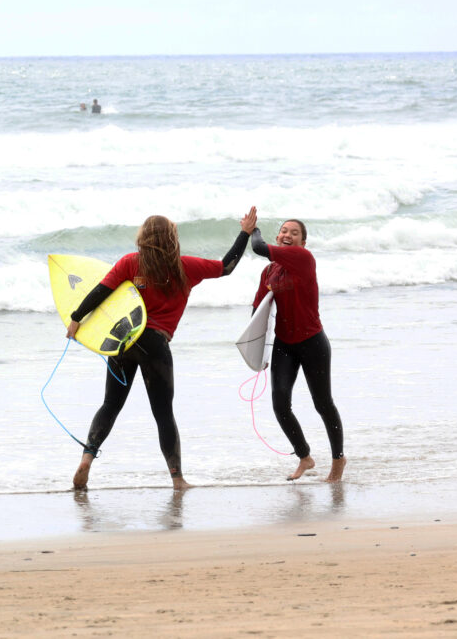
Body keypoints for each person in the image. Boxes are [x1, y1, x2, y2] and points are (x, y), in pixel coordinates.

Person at [67, 207, 258, 491]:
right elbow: (226, 267)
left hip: (124, 340)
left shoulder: (130, 263)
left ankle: (87, 458)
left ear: (143, 237)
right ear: (172, 238)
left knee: (110, 404)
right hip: (155, 344)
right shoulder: (185, 266)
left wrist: (75, 318)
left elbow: (100, 291)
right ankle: (177, 479)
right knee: (163, 413)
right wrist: (244, 233)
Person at [250, 220, 346, 483]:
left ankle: (338, 460)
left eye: (294, 233)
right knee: (280, 405)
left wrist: (252, 230)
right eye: (283, 231)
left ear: (302, 243)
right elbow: (258, 311)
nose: (287, 235)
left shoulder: (303, 258)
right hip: (284, 344)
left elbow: (258, 246)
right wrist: (256, 350)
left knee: (322, 403)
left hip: (312, 342)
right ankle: (305, 457)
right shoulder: (269, 272)